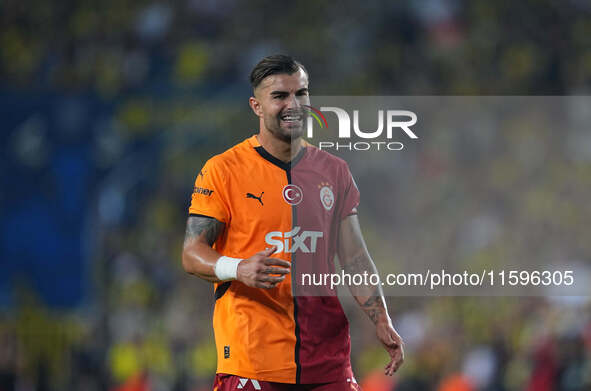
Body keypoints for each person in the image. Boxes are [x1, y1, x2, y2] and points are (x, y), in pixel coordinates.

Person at [182, 54, 404, 391]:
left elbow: (355, 258)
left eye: (301, 94)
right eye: (280, 96)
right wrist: (237, 267)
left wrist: (381, 318)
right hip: (253, 361)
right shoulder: (223, 170)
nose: (294, 104)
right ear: (256, 106)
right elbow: (191, 254)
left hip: (328, 362)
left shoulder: (334, 171)